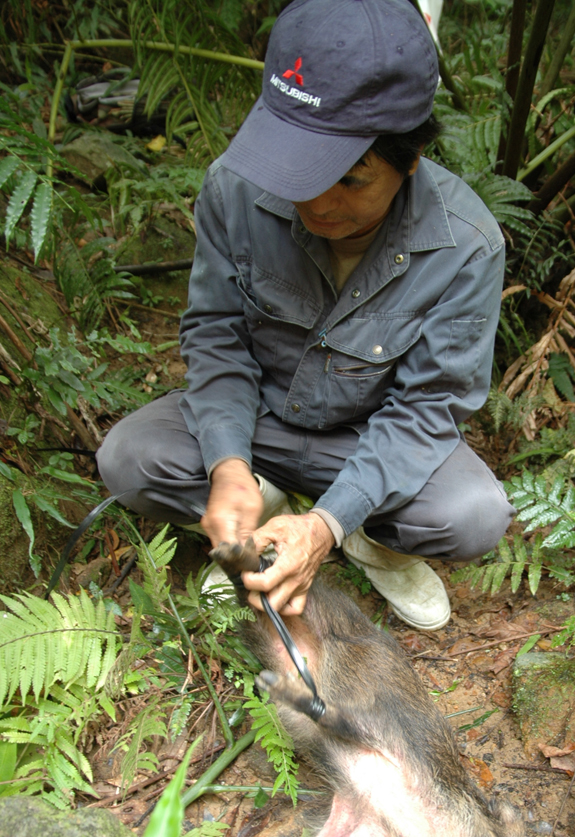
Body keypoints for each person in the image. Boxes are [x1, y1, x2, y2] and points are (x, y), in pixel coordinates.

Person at [97, 0, 515, 631]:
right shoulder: (232, 191)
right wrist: (229, 464)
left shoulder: (467, 245)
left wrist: (330, 521)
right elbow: (217, 336)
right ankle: (257, 513)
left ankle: (364, 538)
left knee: (472, 514)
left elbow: (427, 409)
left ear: (412, 159)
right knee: (128, 459)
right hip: (260, 418)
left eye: (350, 180)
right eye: (299, 167)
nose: (318, 202)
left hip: (365, 439)